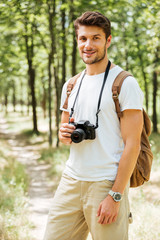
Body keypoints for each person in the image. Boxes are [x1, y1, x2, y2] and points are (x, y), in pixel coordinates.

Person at [43, 11, 144, 240]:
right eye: (83, 38)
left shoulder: (124, 83)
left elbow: (133, 144)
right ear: (77, 41)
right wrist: (64, 134)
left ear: (108, 40)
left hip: (106, 182)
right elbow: (64, 135)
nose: (88, 45)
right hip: (70, 180)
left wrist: (115, 195)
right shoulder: (71, 85)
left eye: (96, 38)